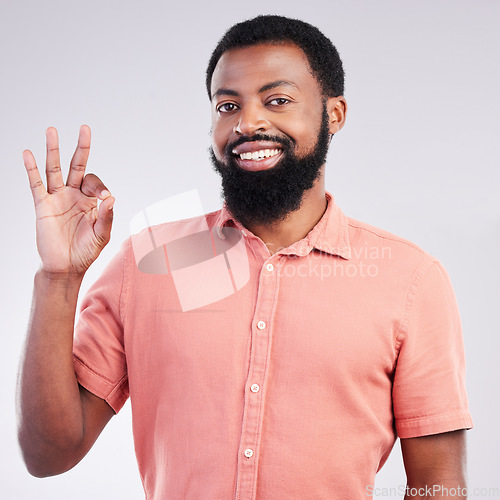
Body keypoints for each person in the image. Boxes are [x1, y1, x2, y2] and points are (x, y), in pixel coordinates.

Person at [17, 15, 472, 500]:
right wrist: (59, 278)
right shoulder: (151, 262)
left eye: (277, 100)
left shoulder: (409, 280)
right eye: (228, 105)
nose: (247, 122)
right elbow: (48, 455)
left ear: (334, 113)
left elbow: (439, 484)